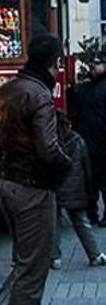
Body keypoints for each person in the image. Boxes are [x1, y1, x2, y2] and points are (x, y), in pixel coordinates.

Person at [0, 33, 70, 305]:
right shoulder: (39, 95)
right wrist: (66, 166)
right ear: (53, 62)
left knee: (25, 263)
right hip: (33, 188)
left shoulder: (6, 89)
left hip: (7, 184)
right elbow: (48, 149)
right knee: (32, 268)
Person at [51, 111, 106, 268]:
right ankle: (94, 254)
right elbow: (87, 167)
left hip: (55, 189)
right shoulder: (78, 141)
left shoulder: (51, 143)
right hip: (76, 190)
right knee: (82, 222)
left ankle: (55, 258)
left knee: (54, 225)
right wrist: (90, 190)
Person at [75, 46, 106, 225]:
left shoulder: (86, 89)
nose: (93, 68)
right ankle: (92, 213)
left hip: (97, 141)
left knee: (97, 182)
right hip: (91, 141)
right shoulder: (85, 89)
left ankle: (94, 214)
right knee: (91, 183)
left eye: (97, 64)